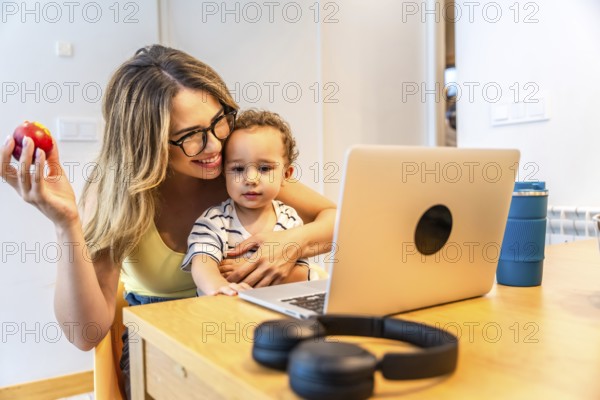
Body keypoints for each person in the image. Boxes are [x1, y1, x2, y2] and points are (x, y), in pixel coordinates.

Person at [0, 45, 336, 397]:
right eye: (192, 136)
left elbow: (338, 221)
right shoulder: (118, 192)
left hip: (245, 326)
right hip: (162, 347)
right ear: (148, 142)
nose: (215, 145)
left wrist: (290, 244)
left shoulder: (238, 170)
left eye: (219, 120)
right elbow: (86, 334)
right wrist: (65, 222)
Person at [181, 109, 312, 296]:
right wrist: (219, 286)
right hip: (224, 311)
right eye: (239, 168)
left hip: (274, 314)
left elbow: (301, 274)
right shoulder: (215, 220)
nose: (251, 179)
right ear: (224, 172)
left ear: (285, 175)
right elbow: (202, 263)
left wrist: (247, 269)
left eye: (265, 168)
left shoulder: (290, 220)